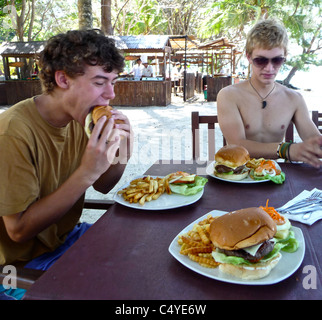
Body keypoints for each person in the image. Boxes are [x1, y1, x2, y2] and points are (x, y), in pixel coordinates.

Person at [0, 29, 133, 299]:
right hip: (19, 269)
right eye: (99, 82)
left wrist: (123, 150)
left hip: (68, 239)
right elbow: (18, 231)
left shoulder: (82, 121)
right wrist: (86, 173)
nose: (111, 94)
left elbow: (105, 185)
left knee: (141, 262)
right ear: (62, 79)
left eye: (113, 82)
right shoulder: (13, 132)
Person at [217, 19, 322, 168]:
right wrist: (285, 149)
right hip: (238, 174)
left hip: (273, 175)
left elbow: (314, 140)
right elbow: (237, 144)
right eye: (261, 60)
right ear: (248, 57)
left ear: (284, 57)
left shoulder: (294, 98)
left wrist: (315, 146)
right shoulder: (229, 95)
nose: (269, 68)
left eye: (277, 60)